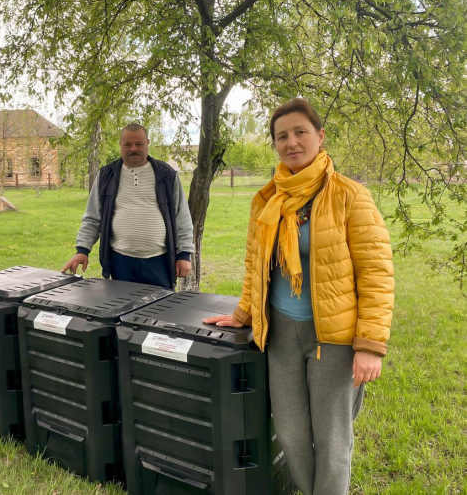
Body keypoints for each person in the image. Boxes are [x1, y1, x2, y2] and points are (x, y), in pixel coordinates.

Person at [204, 99, 394, 494]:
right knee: (290, 435)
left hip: (334, 341)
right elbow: (256, 263)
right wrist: (243, 313)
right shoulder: (268, 199)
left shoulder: (350, 196)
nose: (291, 142)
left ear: (320, 137)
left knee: (331, 441)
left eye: (300, 132)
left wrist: (371, 345)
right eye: (282, 136)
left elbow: (376, 272)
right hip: (281, 335)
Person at [62, 123, 194, 289]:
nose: (133, 148)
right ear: (121, 146)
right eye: (127, 144)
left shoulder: (166, 175)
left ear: (147, 143)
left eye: (139, 144)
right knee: (122, 310)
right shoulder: (106, 176)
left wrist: (184, 254)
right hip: (121, 261)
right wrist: (82, 250)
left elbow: (182, 217)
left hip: (159, 261)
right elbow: (93, 217)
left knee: (161, 310)